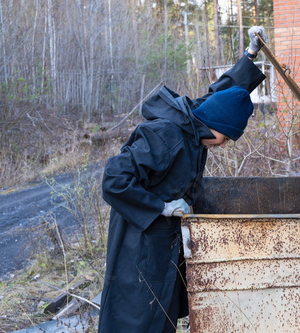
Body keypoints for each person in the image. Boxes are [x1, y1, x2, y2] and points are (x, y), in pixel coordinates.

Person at [97, 27, 267, 333]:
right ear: (213, 125)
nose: (224, 144)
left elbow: (222, 95)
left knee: (163, 312)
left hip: (164, 239)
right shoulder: (166, 134)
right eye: (225, 137)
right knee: (138, 314)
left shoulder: (198, 120)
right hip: (139, 242)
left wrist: (251, 54)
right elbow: (113, 179)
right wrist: (160, 207)